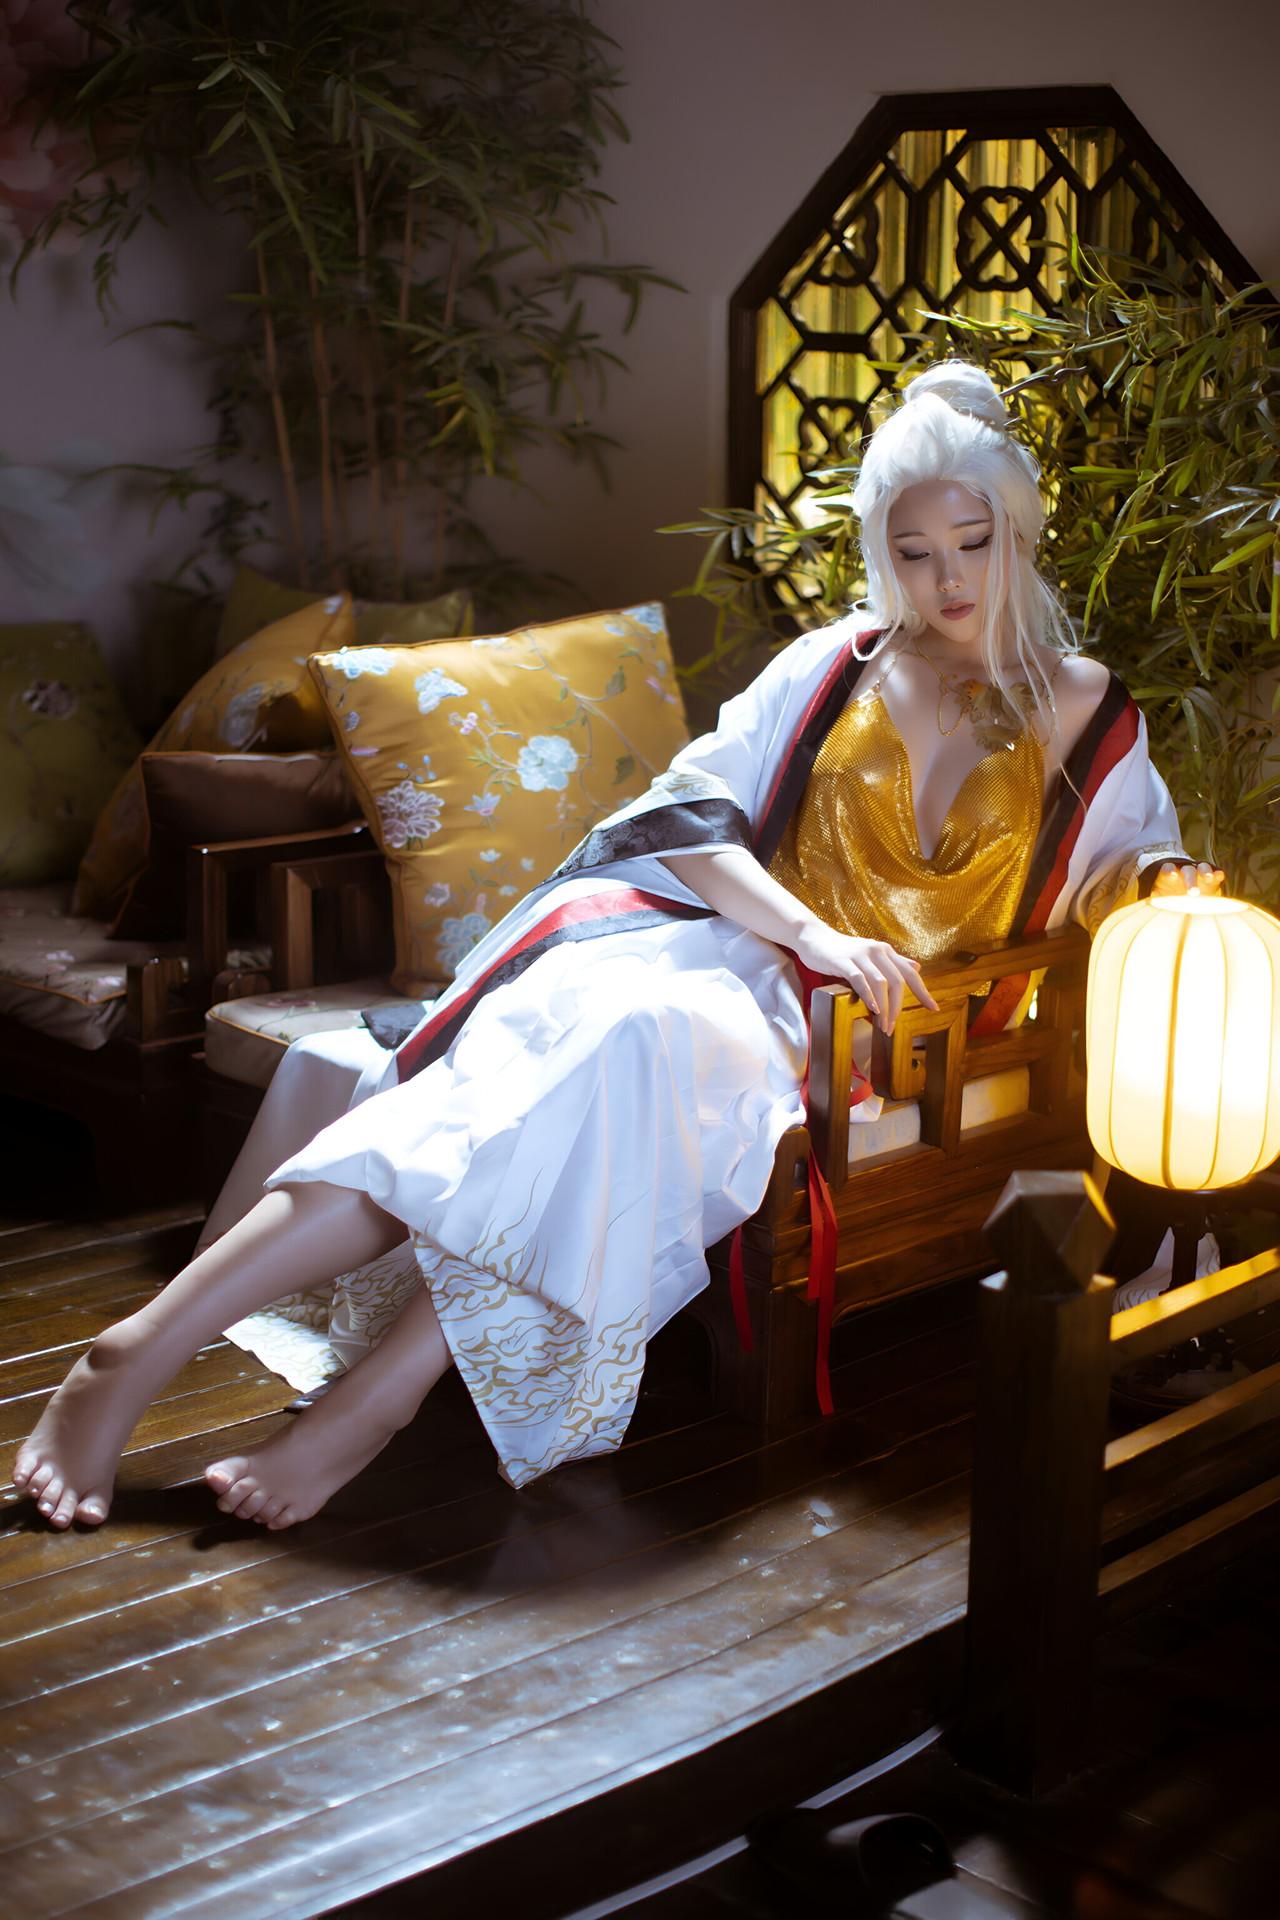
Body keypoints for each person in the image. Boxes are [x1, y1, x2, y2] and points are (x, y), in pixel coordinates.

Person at [11, 360, 1223, 1533]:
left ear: (1019, 531)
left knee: (617, 1053)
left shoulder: (1081, 703)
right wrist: (814, 934)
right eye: (912, 552)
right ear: (878, 553)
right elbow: (684, 818)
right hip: (745, 965)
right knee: (580, 1058)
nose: (945, 578)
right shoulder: (835, 666)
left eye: (972, 541)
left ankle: (356, 1392)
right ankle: (162, 1357)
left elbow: (1119, 862)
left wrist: (1165, 881)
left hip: (881, 1036)